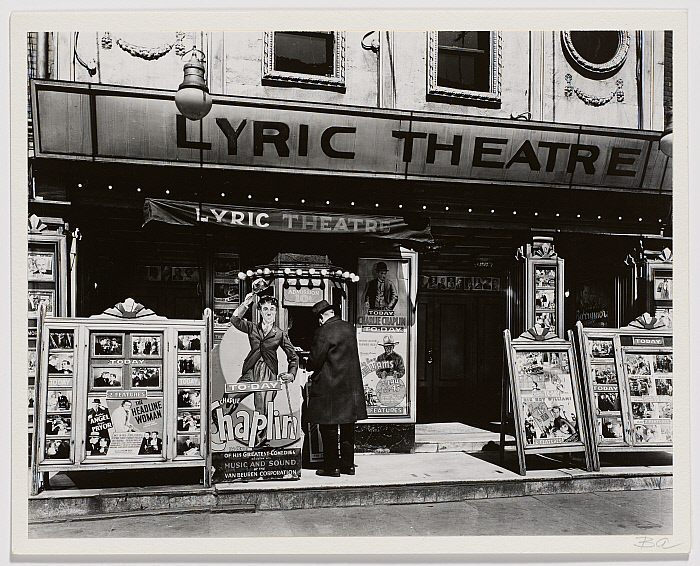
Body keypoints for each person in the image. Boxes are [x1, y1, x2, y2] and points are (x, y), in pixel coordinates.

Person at [226, 293, 298, 449]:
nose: (269, 312)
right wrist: (245, 304)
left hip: (268, 372)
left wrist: (291, 374)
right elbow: (234, 320)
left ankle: (259, 444)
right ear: (260, 311)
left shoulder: (280, 333)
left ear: (276, 312)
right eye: (265, 309)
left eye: (272, 309)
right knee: (230, 396)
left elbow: (293, 356)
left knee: (263, 408)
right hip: (251, 370)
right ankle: (218, 423)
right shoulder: (252, 327)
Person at [306, 300, 368, 477]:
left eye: (319, 318)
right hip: (350, 387)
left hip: (330, 386)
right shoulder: (349, 328)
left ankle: (331, 467)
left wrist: (309, 365)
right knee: (348, 427)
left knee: (329, 427)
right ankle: (348, 466)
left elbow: (315, 360)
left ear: (322, 316)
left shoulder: (324, 331)